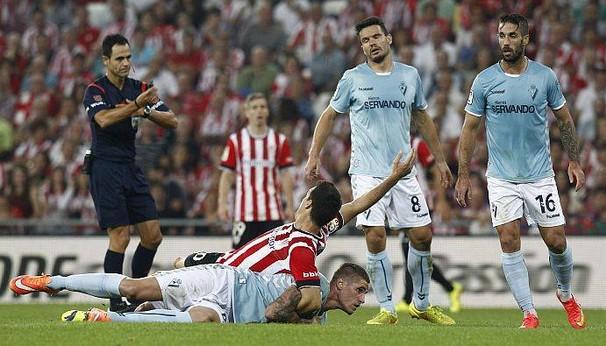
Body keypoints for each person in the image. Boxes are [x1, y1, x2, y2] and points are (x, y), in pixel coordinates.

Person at [305, 16, 454, 325]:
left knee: (422, 235)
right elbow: (330, 115)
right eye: (364, 40)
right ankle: (387, 309)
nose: (370, 43)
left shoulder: (410, 76)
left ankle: (421, 304)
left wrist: (440, 160)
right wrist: (313, 154)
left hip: (403, 172)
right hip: (366, 172)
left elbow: (423, 118)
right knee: (375, 236)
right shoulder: (353, 78)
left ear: (388, 39)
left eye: (375, 37)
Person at [455, 14, 586, 329]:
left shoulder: (545, 77)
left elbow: (565, 120)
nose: (506, 42)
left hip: (539, 175)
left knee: (555, 240)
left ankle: (566, 295)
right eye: (501, 35)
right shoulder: (485, 80)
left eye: (513, 36)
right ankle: (529, 313)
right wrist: (462, 174)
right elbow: (469, 130)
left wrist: (574, 160)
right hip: (501, 178)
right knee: (508, 238)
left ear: (526, 39)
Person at [174, 150, 417, 315]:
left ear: (308, 204)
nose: (302, 198)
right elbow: (356, 205)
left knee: (167, 290)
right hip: (223, 258)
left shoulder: (301, 245)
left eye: (306, 196)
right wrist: (393, 178)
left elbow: (308, 295)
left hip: (226, 277)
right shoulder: (323, 228)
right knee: (177, 266)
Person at [82, 33, 177, 311]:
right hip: (104, 167)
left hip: (130, 167)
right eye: (119, 58)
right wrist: (137, 106)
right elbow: (103, 119)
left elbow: (172, 120)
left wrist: (147, 112)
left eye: (128, 57)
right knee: (120, 236)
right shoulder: (95, 91)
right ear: (106, 61)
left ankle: (136, 292)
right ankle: (114, 301)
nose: (125, 63)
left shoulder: (141, 87)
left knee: (152, 235)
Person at [9, 262, 369, 324]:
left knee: (199, 321)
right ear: (340, 283)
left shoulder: (320, 316)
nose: (362, 299)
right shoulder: (314, 285)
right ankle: (55, 281)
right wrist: (302, 325)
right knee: (135, 287)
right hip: (222, 282)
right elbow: (274, 313)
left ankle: (106, 318)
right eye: (360, 290)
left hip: (227, 311)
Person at [218, 92, 294, 249]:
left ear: (267, 111)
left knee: (276, 259)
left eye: (262, 107)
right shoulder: (236, 141)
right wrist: (222, 203)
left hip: (273, 212)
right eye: (254, 108)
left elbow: (286, 175)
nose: (259, 111)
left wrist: (290, 205)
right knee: (238, 259)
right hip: (244, 213)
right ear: (247, 113)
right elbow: (227, 175)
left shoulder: (279, 141)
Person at [396, 138, 463, 314]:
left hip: (420, 201)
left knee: (412, 247)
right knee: (410, 249)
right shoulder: (393, 141)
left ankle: (407, 297)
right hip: (403, 200)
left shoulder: (417, 144)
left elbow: (434, 168)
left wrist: (441, 200)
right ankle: (450, 288)